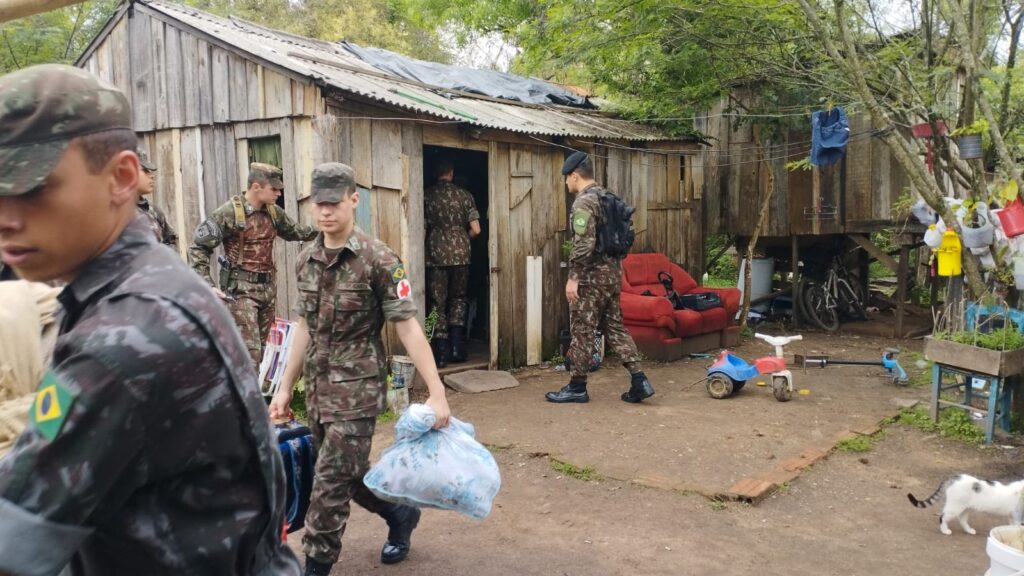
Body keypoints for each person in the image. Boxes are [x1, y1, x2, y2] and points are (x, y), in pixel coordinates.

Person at [0, 64, 299, 575]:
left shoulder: (124, 337)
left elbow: (13, 535)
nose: (6, 216)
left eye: (31, 190)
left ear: (120, 178)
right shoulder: (142, 283)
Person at [269, 162, 452, 576]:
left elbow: (406, 325)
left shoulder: (379, 259)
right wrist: (284, 387)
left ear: (354, 199)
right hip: (317, 392)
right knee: (345, 476)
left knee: (328, 488)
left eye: (334, 202)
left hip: (357, 394)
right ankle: (399, 515)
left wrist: (436, 391)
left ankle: (314, 568)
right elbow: (303, 327)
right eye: (319, 203)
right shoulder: (305, 260)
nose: (326, 211)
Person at [545, 151, 656, 404]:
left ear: (574, 176)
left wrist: (574, 277)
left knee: (583, 329)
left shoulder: (584, 202)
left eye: (566, 178)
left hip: (591, 277)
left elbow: (584, 244)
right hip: (613, 274)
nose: (565, 183)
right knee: (615, 326)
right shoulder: (609, 198)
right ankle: (639, 380)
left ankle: (577, 386)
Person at [189, 162, 317, 368]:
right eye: (274, 189)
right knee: (250, 354)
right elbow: (198, 248)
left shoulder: (274, 213)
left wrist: (327, 230)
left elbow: (297, 232)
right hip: (240, 292)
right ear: (256, 187)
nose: (278, 193)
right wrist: (208, 285)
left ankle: (256, 397)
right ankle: (244, 398)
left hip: (267, 290)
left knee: (265, 351)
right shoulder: (229, 213)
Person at [423, 158, 480, 367]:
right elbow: (476, 229)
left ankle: (441, 354)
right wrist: (461, 239)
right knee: (458, 298)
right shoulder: (465, 196)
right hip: (462, 255)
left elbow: (421, 228)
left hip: (436, 256)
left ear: (435, 173)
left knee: (438, 302)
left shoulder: (427, 195)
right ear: (452, 173)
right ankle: (458, 348)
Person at [135, 149, 179, 248]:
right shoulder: (112, 214)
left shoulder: (154, 211)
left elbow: (170, 242)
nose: (152, 176)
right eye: (145, 170)